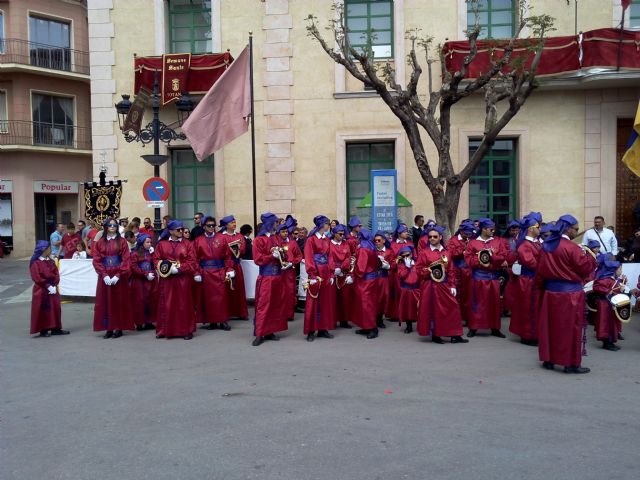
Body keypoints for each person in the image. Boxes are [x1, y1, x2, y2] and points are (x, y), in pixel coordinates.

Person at [537, 214, 597, 374]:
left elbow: (540, 271)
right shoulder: (572, 248)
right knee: (571, 328)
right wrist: (592, 257)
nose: (577, 232)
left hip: (550, 292)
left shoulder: (546, 245)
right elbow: (585, 268)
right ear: (568, 228)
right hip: (570, 294)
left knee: (550, 327)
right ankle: (570, 363)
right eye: (576, 229)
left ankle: (548, 359)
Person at [415, 226, 467, 344]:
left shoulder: (447, 252)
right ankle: (436, 335)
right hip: (430, 286)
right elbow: (418, 270)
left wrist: (453, 285)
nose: (432, 238)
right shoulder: (424, 253)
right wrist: (429, 269)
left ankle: (455, 335)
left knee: (453, 308)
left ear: (440, 237)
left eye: (434, 236)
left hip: (445, 285)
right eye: (430, 237)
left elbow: (452, 271)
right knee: (434, 311)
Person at [153, 220, 198, 340]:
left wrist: (179, 269)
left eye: (182, 229)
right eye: (178, 230)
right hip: (166, 279)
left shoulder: (187, 244)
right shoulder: (161, 244)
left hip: (182, 278)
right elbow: (156, 259)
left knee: (184, 304)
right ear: (171, 231)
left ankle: (186, 330)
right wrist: (166, 268)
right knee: (166, 303)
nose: (181, 231)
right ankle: (164, 329)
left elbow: (192, 262)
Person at [464, 218, 508, 338]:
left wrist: (492, 257)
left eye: (494, 229)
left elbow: (503, 256)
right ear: (483, 229)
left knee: (494, 304)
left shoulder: (497, 241)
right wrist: (481, 262)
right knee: (477, 304)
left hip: (493, 277)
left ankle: (495, 328)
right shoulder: (473, 243)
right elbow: (468, 258)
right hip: (479, 277)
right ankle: (474, 327)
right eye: (491, 229)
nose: (493, 231)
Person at [92, 218, 134, 338]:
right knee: (105, 302)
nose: (112, 226)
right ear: (105, 227)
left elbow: (126, 259)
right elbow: (96, 259)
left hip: (118, 275)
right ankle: (108, 328)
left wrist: (118, 275)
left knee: (119, 301)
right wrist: (103, 274)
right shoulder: (100, 242)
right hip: (105, 275)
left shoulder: (122, 242)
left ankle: (118, 327)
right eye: (110, 225)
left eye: (114, 225)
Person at [252, 212, 288, 346]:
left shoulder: (276, 238)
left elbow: (283, 254)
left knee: (275, 304)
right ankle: (260, 333)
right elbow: (258, 259)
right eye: (275, 223)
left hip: (278, 275)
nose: (276, 225)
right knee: (263, 305)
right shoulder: (259, 240)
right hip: (266, 277)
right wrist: (271, 256)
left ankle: (270, 330)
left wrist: (282, 255)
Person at [193, 216, 234, 332]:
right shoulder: (198, 240)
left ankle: (223, 320)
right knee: (208, 299)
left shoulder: (222, 238)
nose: (211, 228)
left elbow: (228, 255)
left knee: (221, 297)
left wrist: (229, 269)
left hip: (220, 271)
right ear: (203, 227)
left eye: (213, 225)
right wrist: (196, 272)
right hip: (205, 272)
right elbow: (194, 258)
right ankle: (211, 321)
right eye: (209, 225)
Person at [508, 214, 542, 346]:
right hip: (528, 280)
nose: (540, 229)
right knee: (528, 308)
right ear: (531, 229)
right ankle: (527, 335)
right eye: (538, 226)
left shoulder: (535, 243)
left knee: (534, 308)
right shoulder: (524, 245)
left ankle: (534, 333)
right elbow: (531, 263)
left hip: (534, 278)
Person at [303, 215, 336, 341]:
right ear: (322, 225)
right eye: (327, 224)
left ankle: (323, 328)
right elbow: (309, 257)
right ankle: (311, 330)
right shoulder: (311, 240)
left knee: (325, 301)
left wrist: (332, 272)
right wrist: (312, 274)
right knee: (313, 300)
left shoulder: (327, 239)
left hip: (326, 272)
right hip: (316, 272)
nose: (328, 226)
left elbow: (330, 256)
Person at [29, 241, 69, 337]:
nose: (50, 250)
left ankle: (56, 328)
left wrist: (54, 284)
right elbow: (36, 277)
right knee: (43, 309)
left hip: (53, 288)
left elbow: (56, 272)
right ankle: (44, 329)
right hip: (41, 290)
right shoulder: (36, 263)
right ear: (44, 250)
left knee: (55, 308)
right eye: (49, 248)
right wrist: (47, 286)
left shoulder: (50, 261)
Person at [353, 228, 382, 339]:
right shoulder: (371, 247)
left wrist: (354, 273)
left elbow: (361, 268)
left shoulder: (363, 249)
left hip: (365, 281)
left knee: (366, 304)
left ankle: (372, 328)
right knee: (369, 303)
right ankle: (366, 326)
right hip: (372, 278)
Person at [220, 215, 249, 320]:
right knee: (226, 289)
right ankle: (226, 312)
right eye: (232, 222)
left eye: (235, 222)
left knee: (238, 288)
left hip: (236, 265)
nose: (234, 224)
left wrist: (235, 249)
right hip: (225, 266)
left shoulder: (239, 236)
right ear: (226, 225)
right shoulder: (221, 236)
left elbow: (243, 249)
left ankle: (240, 312)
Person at [592, 260, 625, 352]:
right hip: (605, 305)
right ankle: (607, 342)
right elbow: (596, 287)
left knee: (612, 323)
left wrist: (621, 289)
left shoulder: (613, 279)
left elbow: (615, 290)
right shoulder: (604, 279)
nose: (620, 271)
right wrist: (607, 291)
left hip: (611, 305)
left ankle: (611, 342)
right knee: (606, 323)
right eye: (619, 269)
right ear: (613, 270)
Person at [275, 217, 303, 322]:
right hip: (277, 272)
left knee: (289, 293)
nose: (285, 233)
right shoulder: (275, 244)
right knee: (279, 293)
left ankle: (289, 314)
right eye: (283, 231)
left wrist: (291, 263)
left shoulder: (292, 243)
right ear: (278, 233)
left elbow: (299, 256)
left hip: (289, 272)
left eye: (286, 231)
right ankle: (279, 314)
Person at [447, 220, 475, 323]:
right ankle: (457, 317)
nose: (468, 235)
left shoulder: (472, 240)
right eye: (466, 233)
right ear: (461, 232)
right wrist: (463, 250)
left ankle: (468, 318)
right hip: (457, 270)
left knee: (469, 294)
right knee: (458, 295)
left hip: (469, 271)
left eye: (470, 233)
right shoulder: (453, 240)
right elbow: (450, 254)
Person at [129, 234, 157, 331]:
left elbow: (155, 264)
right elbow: (133, 267)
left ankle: (149, 322)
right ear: (142, 243)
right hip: (139, 281)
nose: (149, 244)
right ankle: (139, 322)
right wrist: (145, 274)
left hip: (151, 280)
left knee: (151, 300)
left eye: (150, 242)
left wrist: (153, 254)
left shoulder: (151, 253)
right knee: (139, 301)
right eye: (147, 242)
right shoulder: (135, 253)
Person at [329, 223, 354, 329]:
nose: (342, 236)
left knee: (345, 299)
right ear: (334, 234)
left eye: (343, 234)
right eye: (340, 234)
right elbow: (328, 257)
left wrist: (343, 268)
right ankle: (332, 320)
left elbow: (348, 257)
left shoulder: (345, 244)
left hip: (343, 273)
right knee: (332, 299)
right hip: (333, 274)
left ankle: (344, 320)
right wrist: (334, 269)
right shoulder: (329, 244)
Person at [387, 223, 413, 322]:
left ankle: (409, 315)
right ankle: (396, 314)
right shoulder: (393, 245)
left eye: (407, 231)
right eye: (405, 231)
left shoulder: (410, 243)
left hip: (409, 271)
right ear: (399, 233)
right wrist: (397, 261)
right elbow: (391, 258)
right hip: (397, 271)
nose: (407, 233)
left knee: (409, 292)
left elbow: (414, 256)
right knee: (397, 292)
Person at [396, 245, 420, 334]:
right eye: (403, 256)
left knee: (419, 308)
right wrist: (407, 267)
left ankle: (421, 325)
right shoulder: (401, 265)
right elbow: (401, 275)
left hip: (417, 289)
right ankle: (408, 326)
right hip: (405, 289)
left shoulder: (417, 263)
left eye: (408, 255)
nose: (406, 257)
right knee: (407, 309)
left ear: (411, 254)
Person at [374, 231, 394, 329]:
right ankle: (374, 319)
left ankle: (380, 319)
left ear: (383, 241)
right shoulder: (372, 251)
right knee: (375, 299)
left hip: (384, 278)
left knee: (383, 298)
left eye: (379, 240)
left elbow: (394, 264)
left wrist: (388, 266)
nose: (377, 242)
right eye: (375, 240)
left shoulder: (389, 251)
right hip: (374, 278)